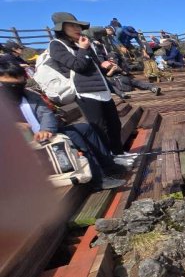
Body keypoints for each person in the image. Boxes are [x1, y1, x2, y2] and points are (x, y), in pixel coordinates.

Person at [0, 59, 126, 189]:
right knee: (73, 135)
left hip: (45, 135)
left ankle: (108, 166)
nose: (17, 87)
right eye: (11, 85)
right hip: (20, 144)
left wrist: (46, 129)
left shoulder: (29, 95)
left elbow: (45, 114)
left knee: (85, 128)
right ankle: (97, 179)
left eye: (20, 82)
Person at [47, 12, 132, 160]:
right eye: (71, 26)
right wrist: (83, 49)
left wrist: (104, 65)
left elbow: (92, 67)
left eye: (77, 25)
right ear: (61, 28)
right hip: (86, 93)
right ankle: (109, 159)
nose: (76, 28)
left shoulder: (83, 43)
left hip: (102, 89)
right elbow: (77, 66)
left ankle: (119, 153)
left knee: (114, 124)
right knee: (99, 128)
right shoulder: (56, 45)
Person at [85, 28, 160, 97]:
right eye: (111, 59)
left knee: (136, 82)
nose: (113, 60)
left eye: (114, 59)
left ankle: (152, 87)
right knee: (108, 83)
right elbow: (106, 74)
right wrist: (112, 70)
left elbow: (126, 72)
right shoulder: (104, 60)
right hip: (114, 80)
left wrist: (119, 69)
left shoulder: (119, 62)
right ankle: (122, 94)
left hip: (122, 79)